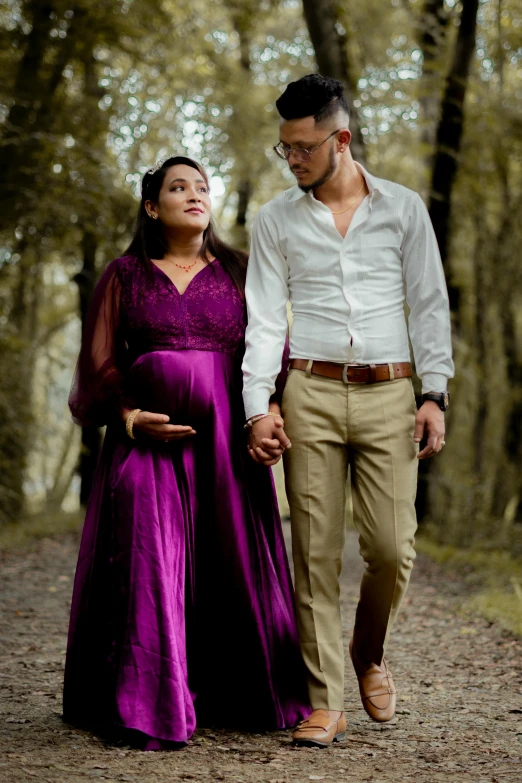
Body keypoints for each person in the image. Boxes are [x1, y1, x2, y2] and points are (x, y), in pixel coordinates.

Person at [63, 156, 309, 749]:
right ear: (152, 206)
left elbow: (273, 351)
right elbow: (98, 364)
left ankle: (234, 692)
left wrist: (270, 413)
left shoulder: (242, 272)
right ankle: (148, 700)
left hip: (226, 444)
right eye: (178, 187)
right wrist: (126, 417)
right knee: (151, 560)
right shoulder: (124, 275)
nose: (194, 194)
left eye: (202, 185)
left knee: (229, 557)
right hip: (145, 446)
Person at [242, 75, 454, 748]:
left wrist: (434, 391)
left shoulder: (403, 209)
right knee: (314, 551)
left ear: (341, 139)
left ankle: (368, 653)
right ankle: (324, 699)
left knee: (392, 548)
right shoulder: (274, 219)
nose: (293, 159)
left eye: (303, 147)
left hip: (391, 392)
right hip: (310, 391)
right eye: (285, 149)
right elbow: (263, 322)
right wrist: (258, 407)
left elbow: (428, 304)